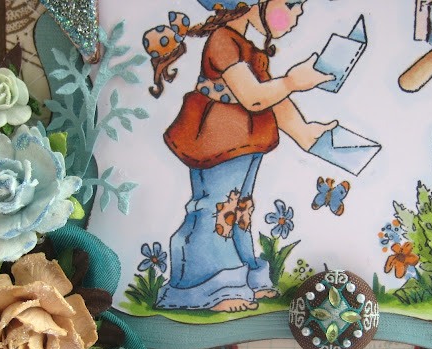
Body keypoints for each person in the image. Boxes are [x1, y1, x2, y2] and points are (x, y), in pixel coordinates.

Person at [143, 0, 337, 312]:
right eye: (290, 3)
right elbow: (254, 97)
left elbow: (271, 96)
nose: (298, 12)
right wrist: (291, 82)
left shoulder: (247, 46)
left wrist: (302, 130)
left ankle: (245, 278)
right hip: (217, 138)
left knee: (239, 210)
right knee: (215, 210)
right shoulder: (223, 40)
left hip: (245, 139)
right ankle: (202, 286)